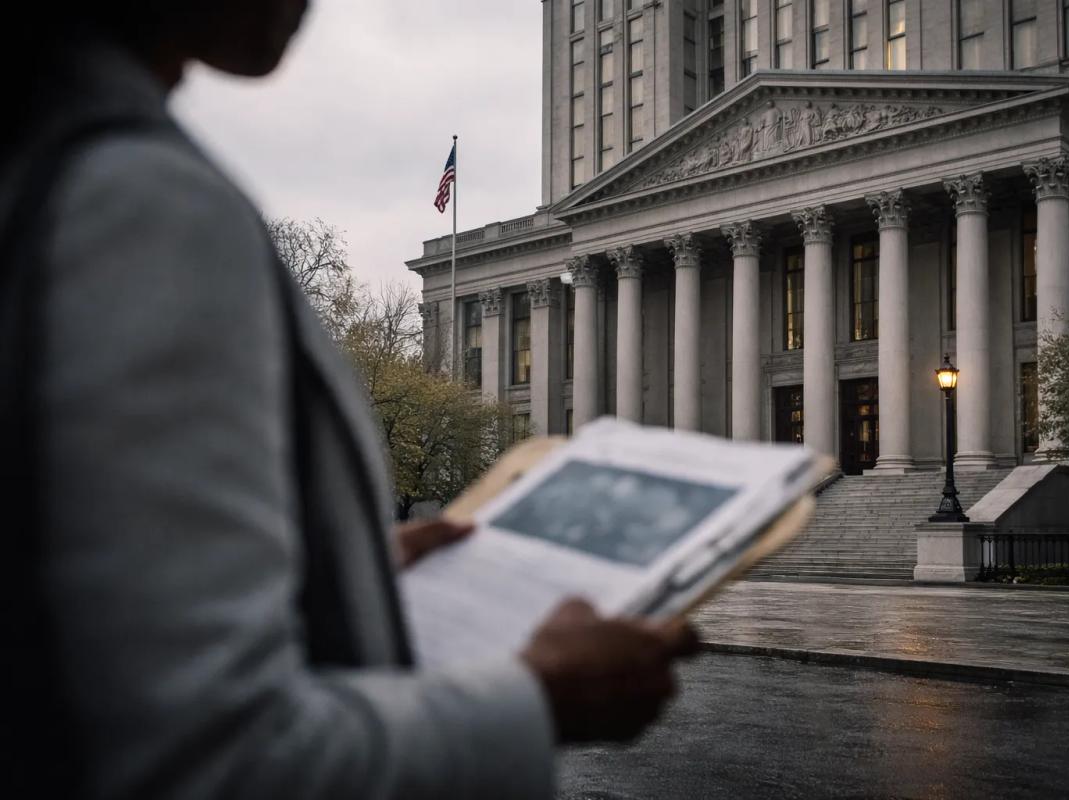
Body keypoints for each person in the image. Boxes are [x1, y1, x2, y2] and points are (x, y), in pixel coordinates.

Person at [0, 3, 697, 797]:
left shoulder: (52, 167)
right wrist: (537, 699)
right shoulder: (139, 199)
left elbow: (80, 585)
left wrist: (334, 573)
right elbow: (211, 763)